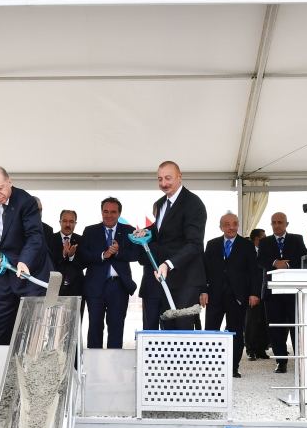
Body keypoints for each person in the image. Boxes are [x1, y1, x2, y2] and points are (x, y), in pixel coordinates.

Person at [133, 161, 206, 330]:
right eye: (160, 179)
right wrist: (146, 231)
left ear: (179, 177)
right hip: (165, 280)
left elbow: (194, 244)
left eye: (168, 178)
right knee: (166, 331)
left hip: (186, 281)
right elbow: (161, 230)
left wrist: (168, 264)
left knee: (181, 332)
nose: (164, 183)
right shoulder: (160, 203)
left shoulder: (193, 203)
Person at [0, 167, 50, 346]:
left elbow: (35, 236)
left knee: (33, 327)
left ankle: (32, 362)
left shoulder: (26, 201)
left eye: (0, 188)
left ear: (9, 182)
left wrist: (24, 261)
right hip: (6, 272)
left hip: (30, 272)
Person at [202, 213, 260, 378]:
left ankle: (233, 367)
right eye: (227, 224)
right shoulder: (212, 244)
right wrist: (203, 291)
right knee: (210, 332)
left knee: (235, 333)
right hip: (214, 296)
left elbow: (254, 271)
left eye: (234, 223)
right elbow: (204, 270)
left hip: (238, 297)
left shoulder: (247, 245)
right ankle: (211, 367)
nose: (231, 227)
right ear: (221, 227)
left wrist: (254, 293)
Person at [80, 197, 137, 349]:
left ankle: (114, 362)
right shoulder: (90, 231)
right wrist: (103, 255)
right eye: (106, 211)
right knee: (94, 327)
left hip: (119, 287)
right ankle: (94, 362)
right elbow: (83, 256)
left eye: (113, 212)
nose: (109, 215)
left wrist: (118, 252)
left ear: (119, 214)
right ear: (101, 212)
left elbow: (136, 254)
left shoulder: (129, 231)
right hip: (95, 287)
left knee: (116, 328)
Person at [257, 212, 305, 373]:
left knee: (296, 326)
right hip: (272, 292)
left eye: (280, 222)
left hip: (293, 291)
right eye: (274, 222)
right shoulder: (265, 241)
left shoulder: (297, 239)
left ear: (286, 224)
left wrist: (287, 266)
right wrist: (275, 262)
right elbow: (260, 260)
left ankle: (299, 359)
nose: (277, 225)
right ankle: (281, 361)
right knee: (275, 328)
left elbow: (302, 259)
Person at [244, 228, 269, 360]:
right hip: (252, 293)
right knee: (252, 323)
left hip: (265, 291)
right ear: (256, 239)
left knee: (264, 322)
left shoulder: (266, 251)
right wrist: (252, 293)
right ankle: (251, 350)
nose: (266, 239)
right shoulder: (248, 252)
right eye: (263, 237)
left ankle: (261, 349)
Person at [48, 210, 85, 300]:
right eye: (65, 221)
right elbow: (48, 262)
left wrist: (71, 256)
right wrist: (63, 255)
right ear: (60, 222)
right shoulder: (50, 239)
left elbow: (84, 263)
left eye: (71, 221)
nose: (68, 224)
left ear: (75, 223)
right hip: (55, 288)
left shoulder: (82, 240)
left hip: (76, 289)